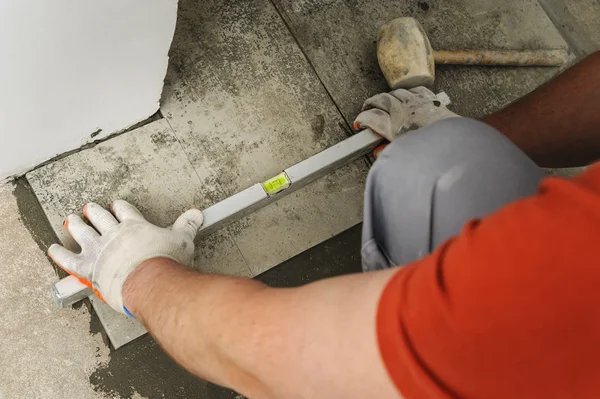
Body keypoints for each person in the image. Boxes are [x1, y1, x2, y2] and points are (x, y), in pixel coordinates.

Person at [49, 51, 600, 399]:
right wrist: (463, 138)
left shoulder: (549, 294)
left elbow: (268, 359)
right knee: (436, 165)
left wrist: (138, 276)